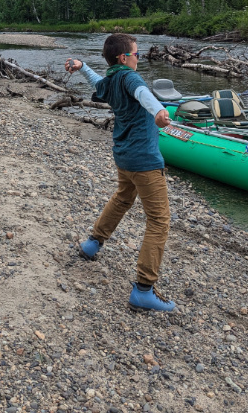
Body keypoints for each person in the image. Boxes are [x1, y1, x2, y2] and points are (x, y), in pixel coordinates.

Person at [65, 33, 176, 312]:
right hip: (144, 161)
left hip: (123, 156)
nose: (139, 58)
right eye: (137, 54)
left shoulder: (112, 79)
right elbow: (142, 93)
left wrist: (81, 66)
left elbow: (96, 83)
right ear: (123, 58)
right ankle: (143, 289)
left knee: (123, 198)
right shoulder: (128, 77)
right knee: (159, 220)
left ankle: (92, 244)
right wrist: (159, 111)